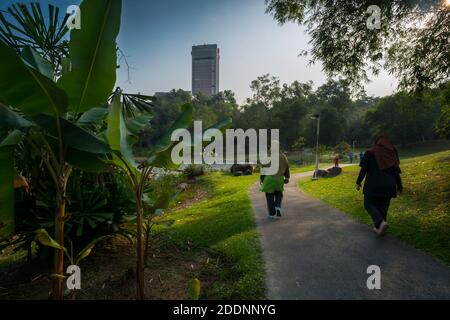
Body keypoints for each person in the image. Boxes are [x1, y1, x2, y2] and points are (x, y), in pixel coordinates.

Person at [356, 135, 403, 236]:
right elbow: (396, 172)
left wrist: (358, 182)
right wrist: (400, 187)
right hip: (389, 185)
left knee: (368, 204)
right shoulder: (391, 154)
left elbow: (363, 169)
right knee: (383, 207)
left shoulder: (370, 152)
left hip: (374, 185)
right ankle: (380, 228)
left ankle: (381, 223)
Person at [260, 147, 290, 219]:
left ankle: (272, 214)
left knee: (269, 196)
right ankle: (278, 206)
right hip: (279, 179)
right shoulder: (283, 156)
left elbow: (263, 169)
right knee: (279, 193)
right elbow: (287, 167)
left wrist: (262, 179)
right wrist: (287, 177)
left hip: (269, 178)